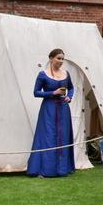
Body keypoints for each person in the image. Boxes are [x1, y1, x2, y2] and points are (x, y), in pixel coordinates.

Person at [27, 48, 76, 178]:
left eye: (62, 59)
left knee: (63, 136)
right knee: (48, 136)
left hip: (63, 108)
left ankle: (62, 169)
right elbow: (36, 92)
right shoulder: (43, 74)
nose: (61, 61)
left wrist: (69, 97)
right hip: (49, 108)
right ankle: (46, 169)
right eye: (58, 58)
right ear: (51, 58)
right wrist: (53, 93)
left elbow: (71, 88)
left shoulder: (66, 73)